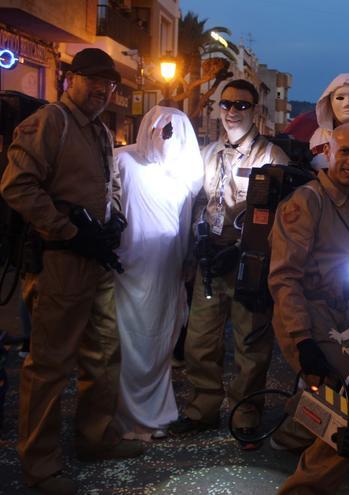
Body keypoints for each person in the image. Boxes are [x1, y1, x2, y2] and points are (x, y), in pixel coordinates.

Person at [0, 47, 142, 495]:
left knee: (101, 354)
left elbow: (107, 187)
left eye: (110, 84)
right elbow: (17, 186)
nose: (102, 90)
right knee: (49, 366)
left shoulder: (99, 130)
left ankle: (95, 438)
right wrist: (66, 231)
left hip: (92, 261)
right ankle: (40, 467)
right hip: (60, 261)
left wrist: (112, 220)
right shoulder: (50, 124)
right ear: (69, 79)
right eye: (93, 80)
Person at [170, 79, 289, 448]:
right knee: (199, 343)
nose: (232, 111)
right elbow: (193, 203)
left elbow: (281, 216)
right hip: (209, 261)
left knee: (251, 345)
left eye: (241, 105)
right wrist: (192, 252)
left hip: (248, 264)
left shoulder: (271, 156)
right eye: (226, 105)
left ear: (256, 111)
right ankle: (201, 409)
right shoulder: (205, 154)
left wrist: (248, 251)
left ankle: (245, 414)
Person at [270, 123, 349, 494]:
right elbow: (284, 278)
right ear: (328, 153)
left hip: (336, 314)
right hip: (304, 313)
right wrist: (302, 340)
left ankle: (288, 436)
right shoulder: (307, 201)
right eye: (344, 152)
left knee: (339, 387)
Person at [112, 106, 204, 440]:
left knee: (159, 344)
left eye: (171, 132)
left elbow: (184, 229)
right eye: (159, 129)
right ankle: (125, 418)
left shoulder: (187, 176)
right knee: (127, 346)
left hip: (166, 276)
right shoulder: (123, 162)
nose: (164, 137)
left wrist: (185, 267)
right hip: (127, 274)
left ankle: (155, 414)